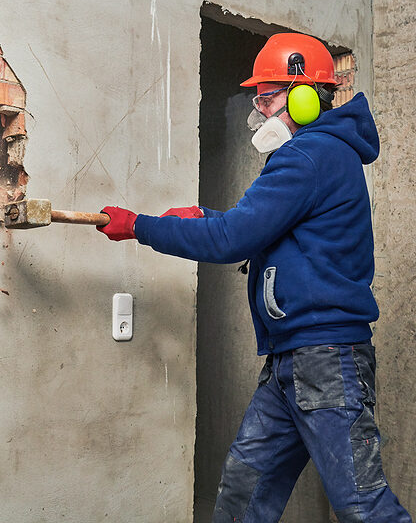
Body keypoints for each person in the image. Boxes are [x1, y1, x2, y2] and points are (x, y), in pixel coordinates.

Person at [96, 33, 412, 522]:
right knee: (244, 494)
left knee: (362, 507)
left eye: (267, 97)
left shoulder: (308, 156)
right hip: (293, 362)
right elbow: (267, 230)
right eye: (258, 100)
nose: (261, 111)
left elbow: (233, 239)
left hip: (325, 361)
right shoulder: (318, 157)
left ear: (305, 96)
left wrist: (141, 226)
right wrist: (203, 216)